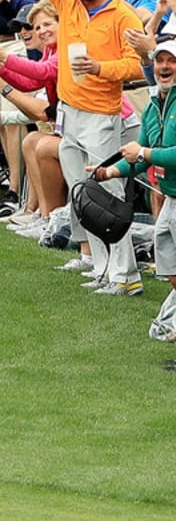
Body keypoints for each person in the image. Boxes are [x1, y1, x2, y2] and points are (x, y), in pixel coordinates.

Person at [3, 0, 145, 295]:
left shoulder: (122, 16)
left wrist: (101, 69)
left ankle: (126, 276)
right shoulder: (67, 0)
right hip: (69, 113)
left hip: (102, 115)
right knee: (83, 196)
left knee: (108, 195)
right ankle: (102, 268)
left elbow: (137, 66)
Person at [95, 39, 176, 341]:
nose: (164, 67)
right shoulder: (155, 104)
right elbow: (140, 152)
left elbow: (147, 153)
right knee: (169, 265)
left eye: (171, 61)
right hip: (170, 196)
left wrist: (144, 154)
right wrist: (110, 171)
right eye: (159, 61)